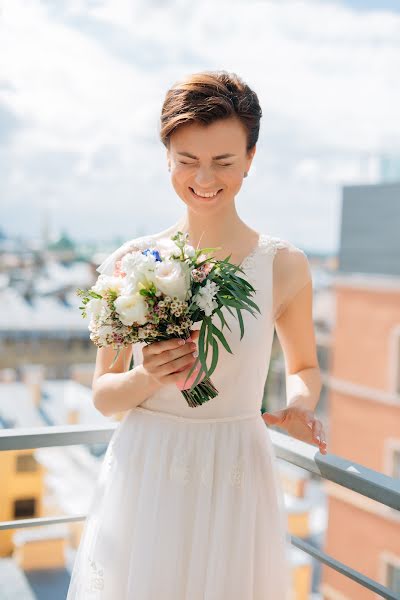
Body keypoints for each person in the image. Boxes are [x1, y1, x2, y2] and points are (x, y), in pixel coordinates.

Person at [66, 70, 327, 600]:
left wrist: (299, 405)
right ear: (167, 157)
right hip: (147, 470)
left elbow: (303, 367)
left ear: (251, 159)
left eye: (223, 161)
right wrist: (146, 376)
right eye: (187, 160)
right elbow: (103, 396)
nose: (204, 177)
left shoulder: (285, 265)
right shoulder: (129, 262)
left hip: (236, 468)